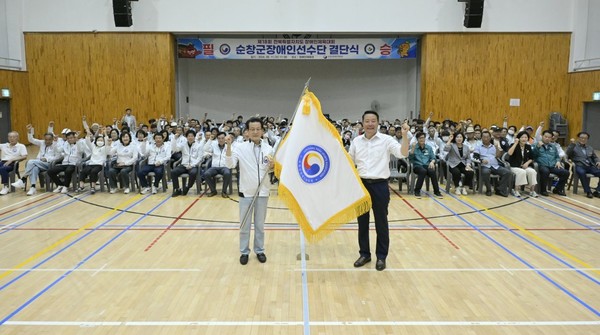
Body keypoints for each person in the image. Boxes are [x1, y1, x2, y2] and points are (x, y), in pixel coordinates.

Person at [348, 110, 409, 271]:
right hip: (361, 186)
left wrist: (404, 136)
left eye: (373, 121)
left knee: (381, 222)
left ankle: (381, 257)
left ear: (378, 122)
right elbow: (349, 161)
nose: (370, 124)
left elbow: (403, 153)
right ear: (362, 123)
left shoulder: (386, 140)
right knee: (362, 222)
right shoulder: (356, 142)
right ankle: (364, 254)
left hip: (380, 185)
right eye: (367, 121)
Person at [225, 117, 274, 265]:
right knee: (245, 225)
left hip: (263, 193)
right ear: (246, 132)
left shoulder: (269, 149)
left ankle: (259, 250)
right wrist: (228, 146)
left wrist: (273, 166)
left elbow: (271, 170)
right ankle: (244, 251)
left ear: (262, 131)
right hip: (246, 193)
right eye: (252, 129)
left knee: (260, 225)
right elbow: (230, 164)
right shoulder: (240, 147)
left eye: (258, 129)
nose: (255, 132)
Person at [12, 125, 60, 195]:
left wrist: (47, 159)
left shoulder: (56, 145)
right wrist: (29, 131)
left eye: (49, 139)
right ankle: (33, 187)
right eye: (46, 139)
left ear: (52, 139)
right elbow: (31, 140)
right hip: (38, 163)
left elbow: (58, 156)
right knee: (34, 168)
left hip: (49, 164)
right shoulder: (42, 143)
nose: (47, 141)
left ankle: (23, 179)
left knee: (31, 162)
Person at [531, 130, 569, 196]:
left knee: (566, 172)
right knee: (545, 171)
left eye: (549, 137)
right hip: (542, 165)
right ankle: (543, 190)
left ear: (551, 138)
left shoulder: (553, 147)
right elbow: (532, 155)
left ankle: (557, 189)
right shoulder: (535, 145)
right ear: (542, 136)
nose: (547, 138)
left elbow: (557, 156)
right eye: (545, 136)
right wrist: (537, 147)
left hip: (552, 165)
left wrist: (558, 161)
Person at [474, 131, 511, 197]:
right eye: (484, 137)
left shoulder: (494, 146)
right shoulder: (478, 147)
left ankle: (499, 189)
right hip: (484, 166)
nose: (486, 139)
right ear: (481, 138)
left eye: (487, 137)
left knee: (507, 172)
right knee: (485, 172)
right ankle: (488, 189)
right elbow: (475, 157)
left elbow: (497, 156)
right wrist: (481, 160)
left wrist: (497, 149)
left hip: (495, 165)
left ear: (490, 138)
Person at [409, 132, 443, 199]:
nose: (422, 139)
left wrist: (432, 162)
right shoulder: (413, 147)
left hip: (427, 165)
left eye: (423, 138)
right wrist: (412, 149)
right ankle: (417, 191)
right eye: (420, 138)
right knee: (423, 171)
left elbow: (433, 157)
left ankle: (437, 191)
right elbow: (410, 158)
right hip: (417, 165)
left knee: (432, 171)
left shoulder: (429, 148)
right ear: (417, 139)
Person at [170, 130, 205, 197]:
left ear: (194, 137)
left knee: (193, 173)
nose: (190, 137)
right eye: (189, 136)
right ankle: (177, 189)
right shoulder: (183, 144)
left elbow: (200, 158)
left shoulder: (199, 146)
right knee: (173, 172)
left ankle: (187, 187)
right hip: (184, 165)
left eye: (192, 136)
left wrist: (192, 165)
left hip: (193, 165)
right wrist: (174, 139)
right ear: (186, 137)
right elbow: (175, 149)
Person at [567, 132, 600, 198]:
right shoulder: (574, 146)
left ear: (587, 139)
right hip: (579, 166)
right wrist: (572, 144)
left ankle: (598, 191)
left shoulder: (590, 148)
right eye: (581, 138)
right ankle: (588, 191)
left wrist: (598, 161)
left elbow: (595, 157)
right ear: (578, 138)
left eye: (585, 138)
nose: (583, 139)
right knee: (582, 172)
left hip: (590, 166)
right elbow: (568, 154)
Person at [507, 131, 538, 197]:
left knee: (532, 171)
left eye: (526, 137)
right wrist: (515, 143)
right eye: (522, 137)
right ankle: (516, 190)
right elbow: (509, 153)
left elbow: (532, 158)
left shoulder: (528, 147)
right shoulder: (513, 145)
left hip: (524, 166)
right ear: (518, 138)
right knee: (522, 172)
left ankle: (532, 191)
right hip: (514, 166)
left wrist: (527, 163)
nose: (524, 139)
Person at [203, 132, 231, 197]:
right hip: (214, 167)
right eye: (219, 138)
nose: (221, 140)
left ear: (225, 139)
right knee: (206, 174)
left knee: (227, 173)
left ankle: (224, 192)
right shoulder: (214, 145)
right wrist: (210, 140)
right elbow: (205, 149)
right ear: (217, 139)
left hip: (224, 167)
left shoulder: (228, 146)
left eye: (222, 138)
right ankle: (213, 191)